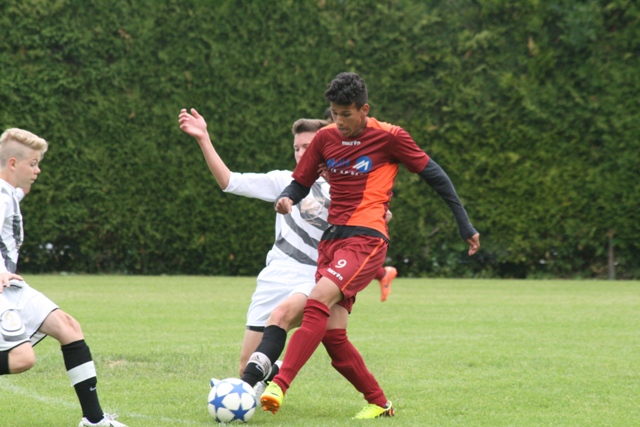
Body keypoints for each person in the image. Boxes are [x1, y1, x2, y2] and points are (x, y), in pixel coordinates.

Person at [260, 72, 481, 418]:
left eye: (346, 114)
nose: (339, 121)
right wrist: (287, 198)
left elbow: (435, 175)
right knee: (333, 336)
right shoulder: (325, 138)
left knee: (317, 300)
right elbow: (300, 181)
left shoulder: (390, 137)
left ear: (364, 110)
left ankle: (280, 384)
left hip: (366, 238)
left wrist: (464, 223)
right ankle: (379, 403)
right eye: (334, 113)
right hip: (332, 241)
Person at [178, 110, 394, 405]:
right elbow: (229, 181)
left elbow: (379, 215)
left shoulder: (346, 186)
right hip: (275, 274)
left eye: (308, 146)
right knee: (247, 365)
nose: (301, 153)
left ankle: (245, 393)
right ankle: (267, 373)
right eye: (296, 148)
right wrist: (203, 138)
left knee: (280, 317)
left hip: (315, 277)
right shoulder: (285, 180)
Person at [0, 128, 127, 427]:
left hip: (11, 285)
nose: (38, 170)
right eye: (33, 163)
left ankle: (94, 421)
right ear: (13, 163)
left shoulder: (9, 192)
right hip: (2, 282)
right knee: (22, 359)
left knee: (68, 327)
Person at [325, 107, 397, 301]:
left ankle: (383, 273)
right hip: (338, 230)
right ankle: (383, 273)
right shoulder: (325, 143)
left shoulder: (360, 146)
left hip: (359, 226)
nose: (339, 124)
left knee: (337, 274)